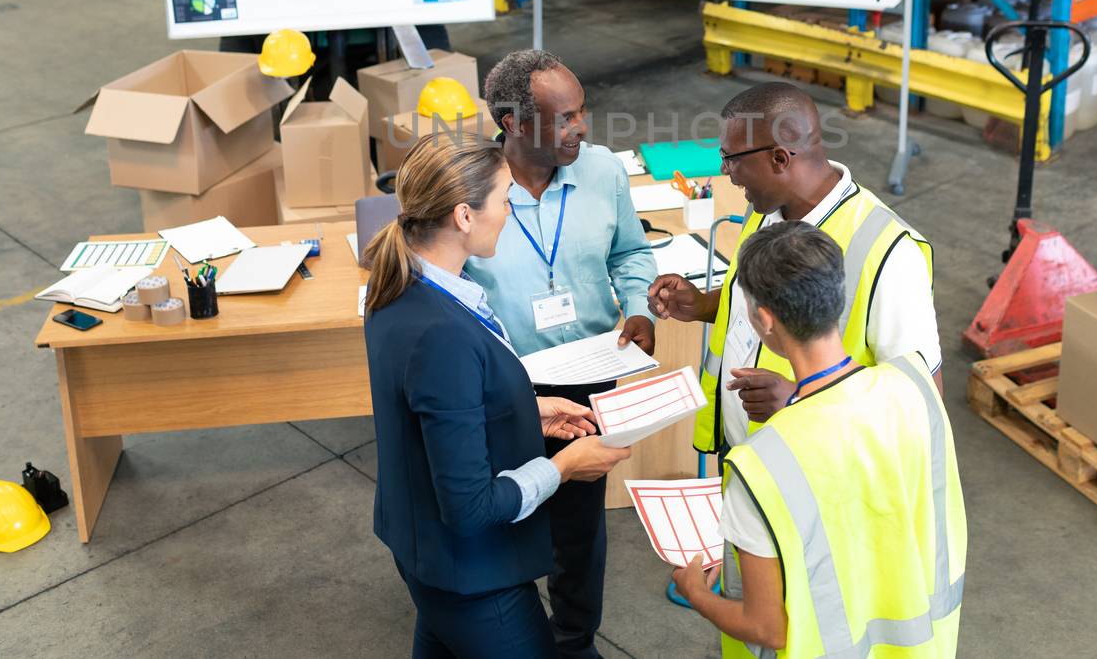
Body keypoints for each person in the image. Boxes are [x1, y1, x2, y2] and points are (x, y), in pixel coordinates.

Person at [364, 133, 631, 659]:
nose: (510, 212)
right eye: (506, 199)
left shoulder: (399, 287)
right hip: (472, 574)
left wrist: (526, 411)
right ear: (464, 216)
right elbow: (470, 508)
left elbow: (432, 407)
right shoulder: (445, 332)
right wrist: (566, 467)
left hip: (423, 550)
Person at [672, 221, 967, 658]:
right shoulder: (915, 387)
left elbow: (767, 629)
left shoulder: (760, 467)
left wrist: (696, 592)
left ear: (764, 320)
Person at [464, 49, 658, 659]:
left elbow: (631, 254)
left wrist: (639, 310)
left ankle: (574, 642)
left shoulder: (602, 172)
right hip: (506, 386)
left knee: (578, 525)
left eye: (582, 112)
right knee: (502, 519)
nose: (581, 128)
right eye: (564, 117)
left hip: (590, 380)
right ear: (512, 122)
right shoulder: (469, 186)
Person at [648, 81, 941, 461]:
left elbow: (919, 400)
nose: (725, 172)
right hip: (748, 456)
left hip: (815, 471)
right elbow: (765, 302)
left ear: (780, 159)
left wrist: (797, 400)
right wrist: (704, 305)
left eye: (731, 158)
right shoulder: (767, 208)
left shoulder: (888, 252)